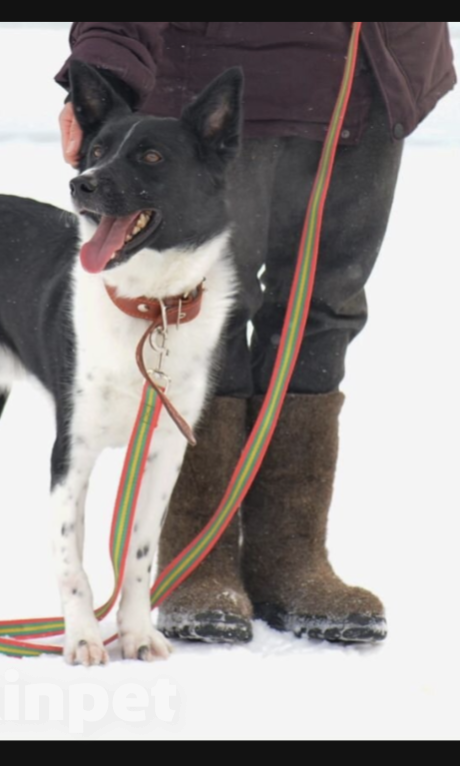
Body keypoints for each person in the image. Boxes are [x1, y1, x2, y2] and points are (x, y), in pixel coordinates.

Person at [55, 22, 456, 644]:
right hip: (225, 71)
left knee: (325, 311)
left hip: (370, 78)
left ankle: (291, 558)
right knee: (206, 307)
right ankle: (198, 555)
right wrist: (104, 68)